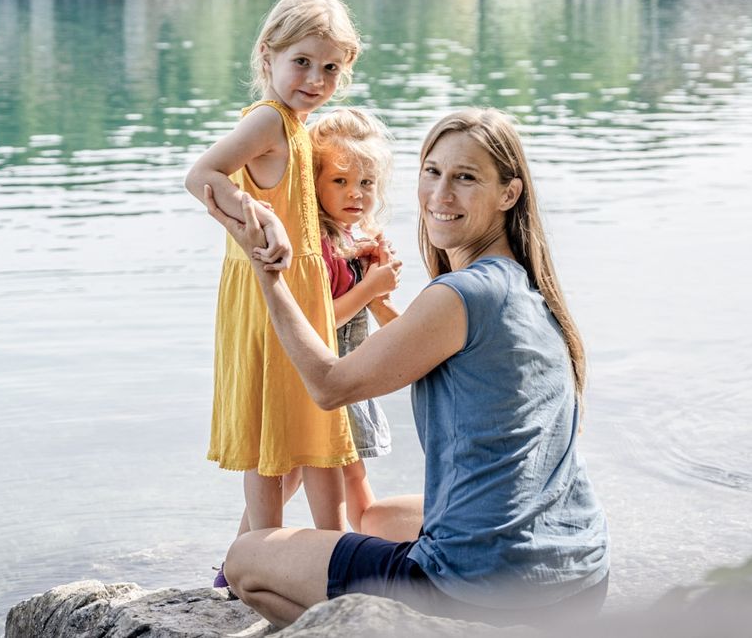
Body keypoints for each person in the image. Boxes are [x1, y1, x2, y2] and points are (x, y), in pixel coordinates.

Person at [208, 108, 609, 626]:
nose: (440, 195)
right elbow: (409, 352)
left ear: (509, 194)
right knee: (377, 518)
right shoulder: (526, 287)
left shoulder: (461, 295)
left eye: (465, 178)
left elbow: (329, 385)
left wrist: (269, 274)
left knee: (247, 559)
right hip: (579, 577)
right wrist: (374, 299)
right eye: (432, 172)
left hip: (474, 589)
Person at [184, 0, 364, 583]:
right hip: (270, 303)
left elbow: (301, 213)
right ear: (269, 56)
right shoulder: (267, 120)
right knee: (276, 438)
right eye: (302, 62)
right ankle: (262, 566)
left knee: (313, 435)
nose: (315, 78)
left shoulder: (295, 128)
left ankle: (316, 561)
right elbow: (201, 175)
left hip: (297, 297)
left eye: (331, 68)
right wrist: (255, 216)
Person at [311, 106, 403, 531]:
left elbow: (373, 305)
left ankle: (365, 538)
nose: (356, 194)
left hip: (349, 370)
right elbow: (320, 319)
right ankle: (247, 550)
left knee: (352, 468)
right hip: (324, 373)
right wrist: (369, 288)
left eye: (366, 183)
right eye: (340, 181)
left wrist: (373, 272)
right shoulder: (319, 246)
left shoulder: (351, 239)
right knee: (297, 472)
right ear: (313, 184)